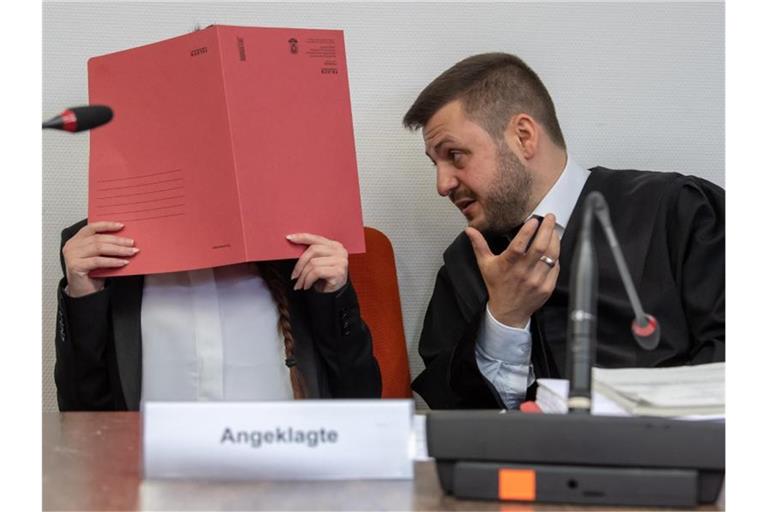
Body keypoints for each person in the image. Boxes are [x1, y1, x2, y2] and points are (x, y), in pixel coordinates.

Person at [402, 53, 724, 410]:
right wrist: (504, 317)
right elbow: (458, 416)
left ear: (523, 137)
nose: (443, 184)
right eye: (436, 163)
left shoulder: (676, 211)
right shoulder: (464, 267)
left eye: (455, 155)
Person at [54, 219, 382, 411]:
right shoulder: (101, 250)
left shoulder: (299, 245)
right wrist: (83, 296)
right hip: (154, 490)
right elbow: (79, 411)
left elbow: (361, 398)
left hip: (282, 488)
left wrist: (334, 294)